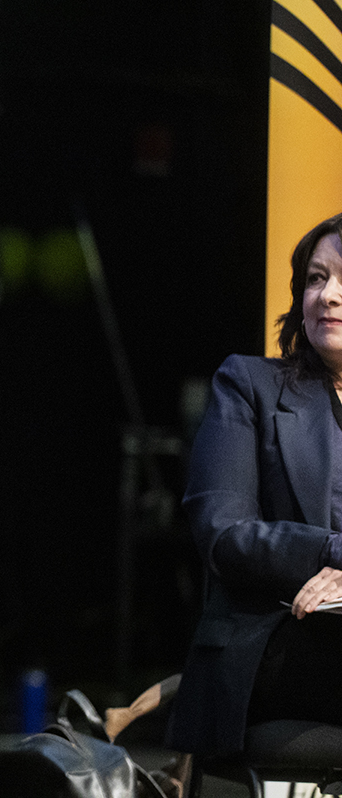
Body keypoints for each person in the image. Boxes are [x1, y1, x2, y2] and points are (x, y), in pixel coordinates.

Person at [169, 210, 342, 758]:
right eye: (316, 278)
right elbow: (224, 533)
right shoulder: (249, 386)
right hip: (277, 640)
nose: (328, 295)